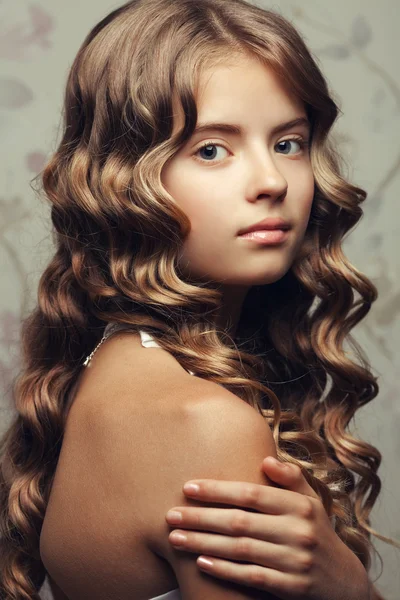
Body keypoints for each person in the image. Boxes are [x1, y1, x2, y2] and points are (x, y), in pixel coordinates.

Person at [0, 0, 397, 598]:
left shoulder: (114, 365)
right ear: (124, 180)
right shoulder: (204, 424)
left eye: (289, 142)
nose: (271, 181)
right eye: (212, 149)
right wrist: (348, 587)